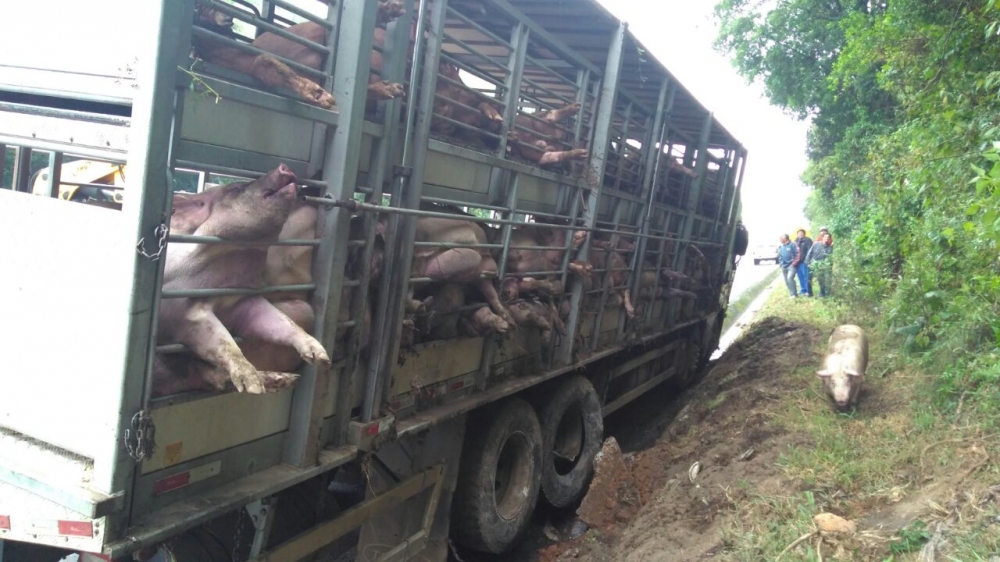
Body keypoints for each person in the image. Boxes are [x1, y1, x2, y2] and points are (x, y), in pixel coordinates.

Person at [806, 232, 833, 297]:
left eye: (828, 237)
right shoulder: (816, 244)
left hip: (821, 266)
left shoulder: (829, 248)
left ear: (829, 239)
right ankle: (809, 293)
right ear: (822, 237)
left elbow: (828, 258)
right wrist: (808, 263)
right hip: (812, 264)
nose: (826, 239)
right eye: (825, 237)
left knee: (821, 280)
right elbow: (809, 253)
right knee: (808, 279)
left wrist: (824, 266)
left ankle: (822, 294)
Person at [777, 234, 800, 298]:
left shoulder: (793, 244)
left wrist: (794, 263)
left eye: (781, 238)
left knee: (790, 278)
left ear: (785, 238)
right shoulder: (781, 247)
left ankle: (794, 294)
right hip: (784, 266)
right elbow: (780, 256)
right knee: (786, 281)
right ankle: (791, 293)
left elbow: (797, 254)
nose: (780, 239)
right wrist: (781, 264)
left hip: (791, 265)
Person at [793, 229, 813, 296]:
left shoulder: (808, 240)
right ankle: (803, 290)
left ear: (804, 233)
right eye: (799, 233)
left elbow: (810, 251)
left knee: (806, 276)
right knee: (800, 276)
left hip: (805, 261)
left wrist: (808, 261)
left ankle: (808, 290)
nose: (800, 234)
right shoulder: (796, 241)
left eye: (801, 233)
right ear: (797, 234)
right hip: (798, 262)